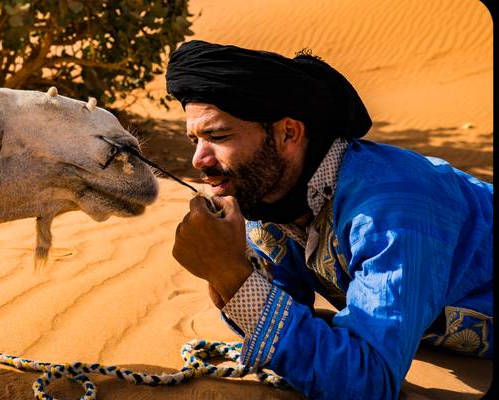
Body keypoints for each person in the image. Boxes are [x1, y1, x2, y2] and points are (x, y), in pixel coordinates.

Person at [166, 40, 493, 399]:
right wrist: (225, 271)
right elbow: (280, 305)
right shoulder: (272, 200)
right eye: (195, 140)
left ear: (288, 133)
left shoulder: (391, 214)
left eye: (217, 135)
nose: (199, 159)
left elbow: (370, 383)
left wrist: (229, 275)